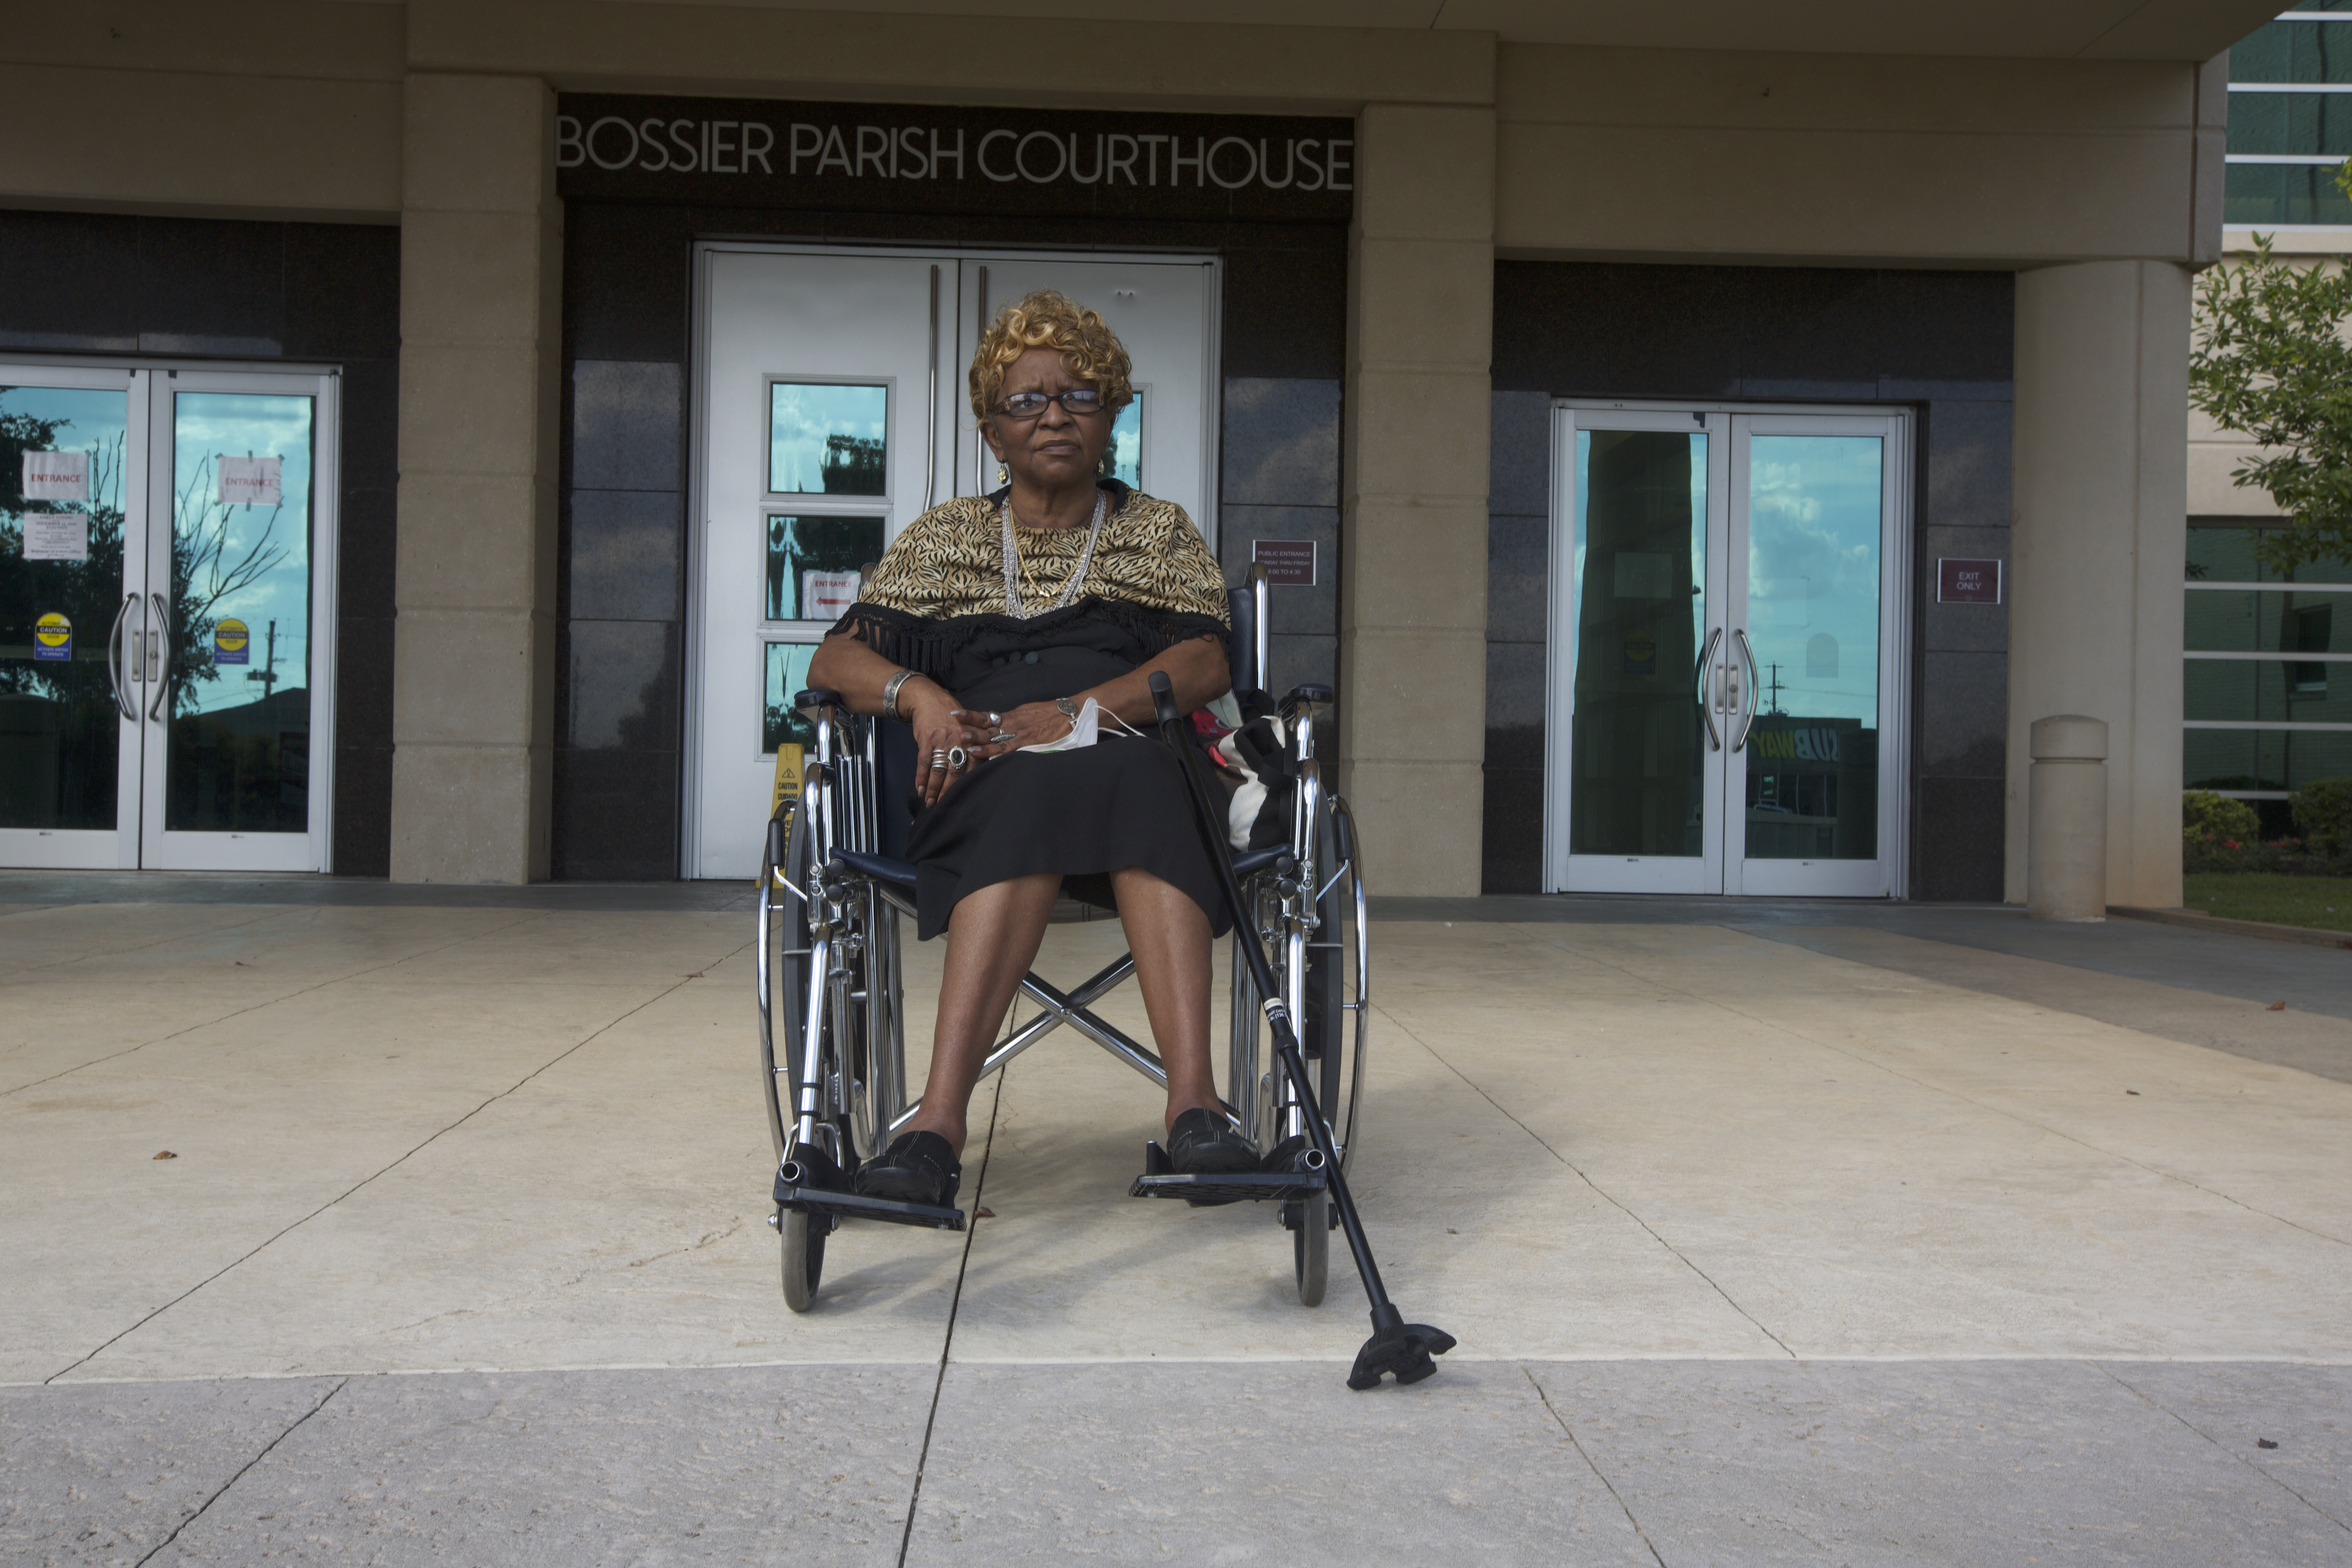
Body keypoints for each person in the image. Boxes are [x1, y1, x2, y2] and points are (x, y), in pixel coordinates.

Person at [805, 289, 1258, 1208]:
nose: (1055, 416)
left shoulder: (1157, 530)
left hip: (1131, 743)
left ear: (1112, 415)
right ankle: (936, 1126)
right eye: (1028, 401)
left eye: (1080, 396)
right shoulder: (947, 540)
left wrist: (1074, 711)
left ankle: (1195, 1110)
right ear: (992, 430)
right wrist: (920, 694)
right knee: (1017, 784)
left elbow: (1205, 659)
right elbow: (836, 656)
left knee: (1142, 777)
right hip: (985, 761)